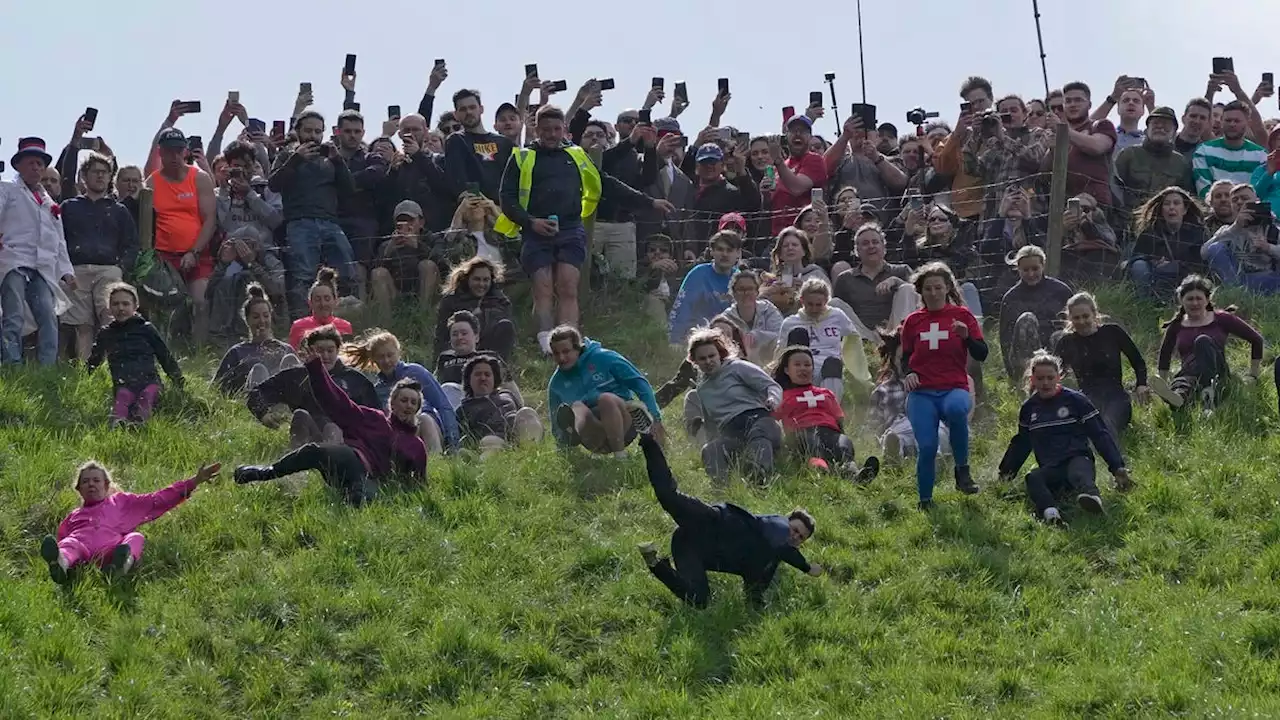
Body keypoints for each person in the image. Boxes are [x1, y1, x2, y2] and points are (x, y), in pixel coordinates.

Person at [496, 106, 673, 354]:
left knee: (568, 286)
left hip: (569, 228)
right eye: (546, 130)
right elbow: (507, 197)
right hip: (535, 230)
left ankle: (570, 343)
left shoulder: (577, 155)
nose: (552, 134)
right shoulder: (522, 156)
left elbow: (607, 184)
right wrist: (530, 222)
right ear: (537, 129)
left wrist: (648, 202)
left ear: (564, 130)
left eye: (557, 129)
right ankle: (546, 344)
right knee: (543, 287)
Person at [635, 434, 822, 609]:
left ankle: (655, 563)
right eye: (795, 529)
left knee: (699, 601)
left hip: (690, 547)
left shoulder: (769, 561)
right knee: (668, 496)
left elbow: (754, 590)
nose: (795, 536)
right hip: (709, 522)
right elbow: (781, 541)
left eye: (800, 537)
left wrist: (756, 607)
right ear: (787, 520)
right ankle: (648, 438)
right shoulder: (776, 525)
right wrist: (806, 567)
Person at [234, 355, 428, 506]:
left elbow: (417, 485)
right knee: (314, 451)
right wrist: (316, 370)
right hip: (351, 460)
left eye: (413, 402)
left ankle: (354, 498)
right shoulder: (373, 418)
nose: (408, 405)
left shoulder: (416, 447)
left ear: (418, 408)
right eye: (404, 400)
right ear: (392, 403)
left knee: (362, 496)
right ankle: (266, 472)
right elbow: (339, 403)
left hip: (372, 482)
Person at [998, 352, 1133, 523]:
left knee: (1078, 472)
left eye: (1050, 377)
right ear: (1032, 380)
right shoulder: (1029, 408)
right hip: (1052, 468)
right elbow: (1021, 443)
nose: (1045, 383)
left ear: (1059, 377)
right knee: (1033, 478)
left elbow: (1100, 434)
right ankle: (1051, 513)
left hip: (1078, 459)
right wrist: (1005, 473)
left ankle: (1092, 499)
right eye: (1040, 378)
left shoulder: (1076, 401)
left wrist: (1117, 466)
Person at [40, 461, 221, 584]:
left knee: (136, 537)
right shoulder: (73, 516)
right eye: (85, 481)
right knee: (70, 543)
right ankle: (61, 565)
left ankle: (122, 565)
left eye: (96, 480)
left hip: (109, 552)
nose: (91, 484)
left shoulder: (121, 502)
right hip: (84, 554)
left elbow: (157, 499)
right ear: (79, 489)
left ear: (106, 485)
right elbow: (63, 539)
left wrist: (194, 481)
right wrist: (62, 552)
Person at [900, 262, 987, 508]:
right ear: (921, 291)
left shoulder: (962, 316)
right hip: (923, 392)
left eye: (938, 287)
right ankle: (925, 499)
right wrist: (909, 373)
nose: (934, 293)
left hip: (953, 386)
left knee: (957, 410)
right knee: (927, 446)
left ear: (947, 288)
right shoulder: (913, 321)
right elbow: (905, 356)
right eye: (928, 288)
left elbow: (982, 353)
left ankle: (962, 470)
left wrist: (966, 337)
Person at [269, 109, 358, 316]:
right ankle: (302, 322)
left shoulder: (330, 157)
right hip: (299, 223)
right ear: (297, 131)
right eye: (308, 130)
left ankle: (348, 318)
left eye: (318, 131)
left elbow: (350, 189)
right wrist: (296, 159)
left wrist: (337, 160)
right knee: (303, 275)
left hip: (330, 222)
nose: (313, 136)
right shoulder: (286, 155)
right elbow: (274, 184)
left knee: (347, 270)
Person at [0, 137, 77, 365]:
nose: (36, 168)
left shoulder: (49, 203)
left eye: (39, 164)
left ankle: (47, 368)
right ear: (19, 166)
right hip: (13, 261)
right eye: (31, 163)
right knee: (13, 316)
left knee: (48, 316)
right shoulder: (7, 190)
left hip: (42, 267)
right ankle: (11, 364)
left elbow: (59, 241)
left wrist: (67, 271)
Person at [60, 150, 139, 361]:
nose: (100, 176)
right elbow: (58, 240)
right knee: (82, 324)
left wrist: (121, 268)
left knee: (110, 318)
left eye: (105, 172)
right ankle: (87, 370)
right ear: (84, 177)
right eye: (95, 171)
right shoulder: (69, 207)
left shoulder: (120, 210)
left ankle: (111, 365)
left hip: (108, 269)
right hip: (77, 270)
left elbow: (132, 244)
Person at [248, 325, 380, 448]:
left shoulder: (354, 379)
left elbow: (375, 416)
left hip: (345, 440)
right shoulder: (297, 376)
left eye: (330, 350)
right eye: (320, 351)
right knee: (301, 415)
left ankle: (332, 462)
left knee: (331, 428)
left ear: (338, 350)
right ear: (309, 350)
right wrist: (263, 413)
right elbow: (257, 392)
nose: (325, 356)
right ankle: (298, 463)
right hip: (308, 434)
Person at [683, 328, 783, 482]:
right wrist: (711, 443)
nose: (708, 361)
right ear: (694, 362)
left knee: (758, 436)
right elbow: (711, 423)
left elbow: (772, 386)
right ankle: (722, 489)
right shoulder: (702, 389)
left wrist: (772, 400)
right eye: (702, 358)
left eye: (712, 356)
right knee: (710, 450)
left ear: (720, 354)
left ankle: (760, 478)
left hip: (759, 420)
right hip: (732, 432)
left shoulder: (737, 367)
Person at [146, 128, 217, 345]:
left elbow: (210, 220)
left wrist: (193, 251)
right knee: (166, 306)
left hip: (197, 252)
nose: (174, 156)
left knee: (200, 302)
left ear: (185, 151)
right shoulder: (152, 182)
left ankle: (200, 351)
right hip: (164, 256)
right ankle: (168, 350)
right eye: (169, 152)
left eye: (178, 151)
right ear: (161, 152)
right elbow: (145, 223)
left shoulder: (200, 178)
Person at [547, 324, 663, 456]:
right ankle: (577, 435)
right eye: (556, 353)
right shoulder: (556, 383)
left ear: (578, 348)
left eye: (566, 351)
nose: (561, 358)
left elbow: (640, 383)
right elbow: (555, 418)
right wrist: (562, 447)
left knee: (605, 399)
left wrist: (655, 417)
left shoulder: (605, 358)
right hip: (592, 432)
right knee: (577, 407)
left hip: (622, 422)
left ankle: (621, 456)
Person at [1151, 275, 1263, 410]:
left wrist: (1253, 375)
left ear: (1207, 299)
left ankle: (1209, 395)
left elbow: (1256, 339)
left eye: (1199, 298)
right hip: (1190, 372)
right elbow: (1165, 354)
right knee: (1183, 382)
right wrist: (1163, 380)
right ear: (1181, 300)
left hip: (1218, 372)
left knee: (1202, 341)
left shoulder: (1222, 318)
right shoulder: (1176, 325)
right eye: (1190, 299)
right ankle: (1177, 398)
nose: (1195, 303)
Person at [342, 330, 459, 455]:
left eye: (390, 355)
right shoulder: (377, 389)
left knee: (423, 419)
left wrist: (452, 443)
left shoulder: (416, 372)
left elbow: (443, 405)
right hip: (399, 435)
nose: (386, 361)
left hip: (428, 431)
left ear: (398, 353)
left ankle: (437, 464)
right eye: (381, 357)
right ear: (373, 359)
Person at [772, 345, 879, 480]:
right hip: (801, 433)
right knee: (813, 446)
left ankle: (856, 475)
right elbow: (773, 419)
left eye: (807, 365)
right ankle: (821, 471)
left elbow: (839, 419)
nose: (803, 368)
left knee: (843, 445)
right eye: (797, 365)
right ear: (787, 370)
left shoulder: (826, 393)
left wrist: (841, 435)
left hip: (830, 432)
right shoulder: (782, 396)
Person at [85, 283, 184, 428]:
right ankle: (118, 423)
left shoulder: (146, 329)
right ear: (109, 308)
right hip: (124, 384)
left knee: (147, 396)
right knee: (123, 397)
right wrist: (83, 376)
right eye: (115, 304)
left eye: (126, 304)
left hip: (150, 382)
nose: (121, 308)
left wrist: (178, 380)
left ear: (135, 306)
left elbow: (164, 355)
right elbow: (94, 360)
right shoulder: (106, 334)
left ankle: (140, 422)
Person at [1053, 293, 1148, 443]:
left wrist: (1141, 384)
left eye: (1085, 316)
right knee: (1080, 427)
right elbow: (1054, 375)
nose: (1082, 321)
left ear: (1094, 314)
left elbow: (1137, 361)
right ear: (1070, 319)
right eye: (1076, 318)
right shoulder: (1067, 342)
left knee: (1106, 423)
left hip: (1116, 397)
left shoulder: (1112, 332)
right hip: (1087, 397)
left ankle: (1114, 462)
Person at [778, 277, 874, 397]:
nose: (814, 309)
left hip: (829, 371)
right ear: (802, 301)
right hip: (803, 369)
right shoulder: (790, 323)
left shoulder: (837, 316)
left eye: (819, 305)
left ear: (827, 301)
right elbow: (780, 353)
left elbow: (853, 338)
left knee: (832, 363)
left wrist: (859, 372)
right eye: (810, 304)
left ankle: (830, 406)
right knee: (798, 334)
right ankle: (797, 397)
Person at [999, 246, 1074, 379]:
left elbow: (1074, 325)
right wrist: (1011, 372)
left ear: (1043, 266)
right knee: (1027, 319)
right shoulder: (1011, 298)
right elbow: (1005, 338)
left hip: (1055, 351)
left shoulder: (1061, 291)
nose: (1031, 274)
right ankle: (1029, 377)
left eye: (1035, 269)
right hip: (1024, 356)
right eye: (1025, 270)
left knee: (1061, 334)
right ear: (1018, 269)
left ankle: (1063, 376)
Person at [213, 284, 299, 395]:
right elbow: (216, 388)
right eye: (256, 317)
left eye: (265, 316)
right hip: (254, 404)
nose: (262, 321)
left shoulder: (285, 349)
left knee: (290, 359)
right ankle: (260, 406)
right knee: (259, 371)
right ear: (247, 320)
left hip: (285, 402)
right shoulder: (237, 352)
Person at [206, 225, 285, 344]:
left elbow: (277, 292)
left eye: (248, 245)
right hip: (228, 328)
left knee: (247, 277)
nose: (244, 250)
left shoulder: (270, 261)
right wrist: (222, 264)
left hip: (266, 322)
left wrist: (252, 264)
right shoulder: (229, 265)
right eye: (239, 246)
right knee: (228, 281)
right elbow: (208, 294)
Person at [832, 223, 917, 334]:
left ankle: (899, 343)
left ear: (883, 246)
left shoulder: (902, 270)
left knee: (907, 288)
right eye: (865, 243)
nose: (871, 246)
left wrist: (896, 281)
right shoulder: (845, 279)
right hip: (861, 334)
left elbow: (920, 299)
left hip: (895, 331)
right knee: (834, 303)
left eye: (875, 242)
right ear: (857, 250)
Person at [1128, 186, 1209, 298]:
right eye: (1167, 204)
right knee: (1139, 265)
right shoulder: (1150, 232)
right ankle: (1143, 303)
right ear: (1161, 209)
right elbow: (1136, 257)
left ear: (1185, 210)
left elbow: (1201, 265)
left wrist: (1175, 266)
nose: (1171, 207)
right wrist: (1153, 261)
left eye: (1176, 203)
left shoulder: (1197, 233)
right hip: (1154, 276)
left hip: (1186, 280)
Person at [1200, 184, 1280, 294]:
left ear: (1257, 201)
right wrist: (1236, 227)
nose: (1239, 202)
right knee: (1215, 247)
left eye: (1245, 198)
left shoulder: (1274, 229)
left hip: (1269, 278)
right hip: (1235, 279)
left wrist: (1268, 248)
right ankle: (1235, 292)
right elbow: (1205, 252)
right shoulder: (1227, 230)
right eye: (1234, 200)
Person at [432, 256, 515, 362]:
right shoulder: (451, 301)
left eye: (486, 280)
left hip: (491, 357)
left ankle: (499, 370)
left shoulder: (501, 302)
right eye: (477, 279)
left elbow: (507, 334)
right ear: (467, 279)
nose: (481, 284)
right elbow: (441, 336)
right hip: (459, 354)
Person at [457, 354, 544, 455]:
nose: (483, 378)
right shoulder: (463, 408)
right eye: (478, 374)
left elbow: (523, 416)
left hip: (520, 437)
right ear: (469, 379)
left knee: (527, 412)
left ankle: (529, 457)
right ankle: (481, 463)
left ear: (494, 379)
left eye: (487, 374)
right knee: (489, 441)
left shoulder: (508, 394)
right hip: (494, 442)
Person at [667, 230, 742, 345]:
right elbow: (681, 309)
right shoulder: (698, 274)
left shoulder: (740, 277)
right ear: (711, 251)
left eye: (729, 250)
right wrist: (675, 341)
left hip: (731, 338)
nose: (725, 254)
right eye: (720, 249)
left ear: (738, 253)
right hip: (698, 337)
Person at [435, 310, 522, 409]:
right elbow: (435, 384)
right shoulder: (444, 358)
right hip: (449, 402)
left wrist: (521, 408)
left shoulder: (489, 357)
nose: (459, 337)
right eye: (455, 334)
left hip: (480, 403)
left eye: (464, 333)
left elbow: (509, 386)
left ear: (476, 337)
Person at [1114, 106, 1195, 212]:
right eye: (1156, 123)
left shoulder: (1181, 163)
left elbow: (1186, 199)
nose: (1160, 127)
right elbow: (1113, 189)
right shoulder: (1128, 155)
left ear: (1174, 132)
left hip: (1163, 222)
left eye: (1166, 125)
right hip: (1126, 219)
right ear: (1147, 129)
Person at [1192, 101, 1266, 197]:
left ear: (1248, 123)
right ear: (1222, 121)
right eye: (1228, 120)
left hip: (1248, 210)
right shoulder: (1204, 151)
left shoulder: (1261, 155)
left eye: (1237, 121)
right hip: (1213, 210)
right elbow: (1203, 191)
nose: (1232, 124)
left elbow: (1259, 192)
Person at [760, 227, 830, 316]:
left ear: (804, 251)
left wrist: (806, 289)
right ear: (780, 254)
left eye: (794, 245)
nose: (790, 248)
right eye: (785, 246)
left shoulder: (816, 274)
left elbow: (828, 301)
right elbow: (758, 306)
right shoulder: (771, 280)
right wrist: (769, 292)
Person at [719, 269, 783, 365]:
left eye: (750, 289)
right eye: (741, 289)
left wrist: (756, 335)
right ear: (733, 293)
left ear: (757, 292)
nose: (746, 293)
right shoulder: (726, 319)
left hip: (770, 364)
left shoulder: (768, 309)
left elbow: (781, 335)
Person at [288, 267, 353, 349]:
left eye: (327, 299)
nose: (323, 304)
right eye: (318, 299)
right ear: (310, 303)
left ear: (335, 301)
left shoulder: (345, 326)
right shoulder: (298, 326)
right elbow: (293, 357)